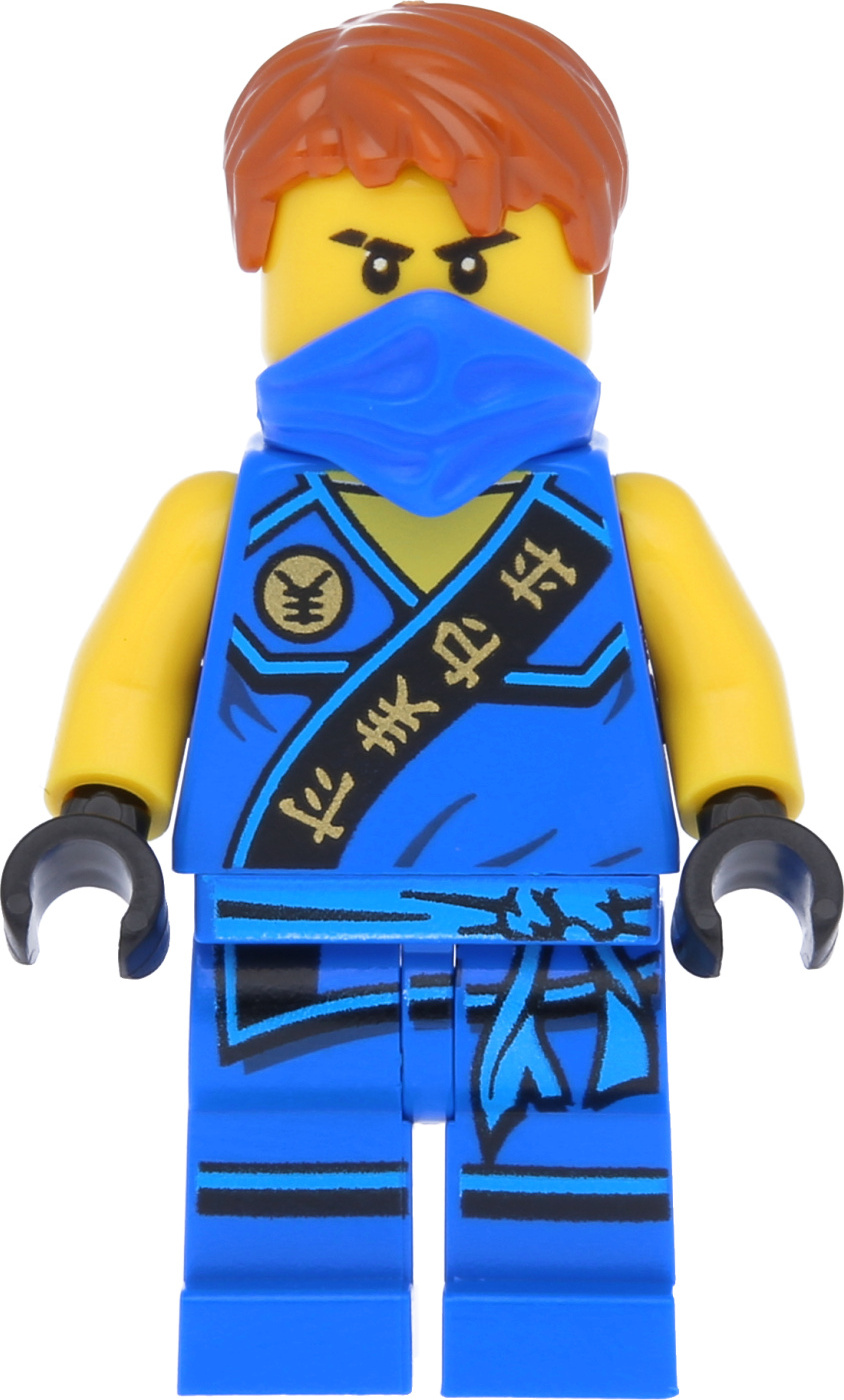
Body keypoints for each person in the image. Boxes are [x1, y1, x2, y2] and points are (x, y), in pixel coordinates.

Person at [3, 6, 838, 1396]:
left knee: (574, 1235)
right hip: (290, 932)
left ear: (584, 270)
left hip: (568, 928)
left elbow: (725, 670)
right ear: (269, 261)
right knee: (281, 1237)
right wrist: (101, 815)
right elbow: (135, 671)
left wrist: (747, 816)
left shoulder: (631, 522)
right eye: (375, 266)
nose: (429, 314)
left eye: (475, 267)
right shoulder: (224, 520)